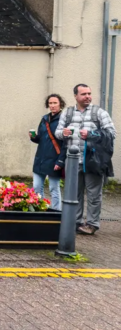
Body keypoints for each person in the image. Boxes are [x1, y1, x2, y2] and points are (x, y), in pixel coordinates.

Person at [55, 84, 116, 235]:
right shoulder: (68, 113)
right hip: (72, 159)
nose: (88, 96)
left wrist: (91, 135)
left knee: (94, 194)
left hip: (93, 160)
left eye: (89, 93)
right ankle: (75, 222)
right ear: (76, 96)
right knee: (73, 193)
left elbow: (111, 134)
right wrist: (64, 133)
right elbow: (57, 133)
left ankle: (92, 224)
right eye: (84, 94)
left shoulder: (99, 113)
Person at [30, 94, 66, 209]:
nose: (52, 105)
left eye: (55, 103)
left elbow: (66, 143)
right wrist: (33, 137)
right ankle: (39, 209)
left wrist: (60, 161)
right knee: (36, 187)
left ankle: (56, 212)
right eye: (50, 103)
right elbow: (41, 138)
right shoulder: (45, 119)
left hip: (55, 159)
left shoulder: (64, 119)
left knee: (53, 188)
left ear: (60, 104)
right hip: (40, 158)